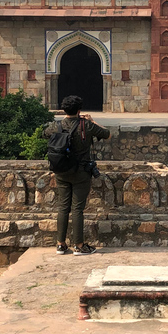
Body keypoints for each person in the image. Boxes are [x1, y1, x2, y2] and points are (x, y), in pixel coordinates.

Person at [43, 95, 110, 256]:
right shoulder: (86, 125)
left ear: (64, 110)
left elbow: (45, 134)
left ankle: (60, 244)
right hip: (81, 171)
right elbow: (107, 134)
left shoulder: (56, 125)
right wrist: (91, 121)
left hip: (61, 171)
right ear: (79, 110)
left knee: (63, 207)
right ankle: (79, 245)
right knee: (77, 209)